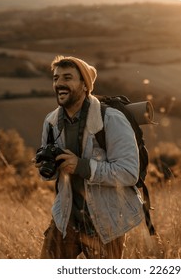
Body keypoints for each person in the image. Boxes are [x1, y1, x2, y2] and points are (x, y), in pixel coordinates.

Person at [35, 55, 144, 259]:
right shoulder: (51, 122)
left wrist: (82, 166)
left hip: (105, 221)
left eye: (67, 78)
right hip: (66, 217)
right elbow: (50, 176)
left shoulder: (111, 119)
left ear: (85, 85)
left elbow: (129, 173)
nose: (59, 84)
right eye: (56, 78)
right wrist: (46, 168)